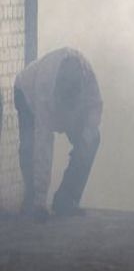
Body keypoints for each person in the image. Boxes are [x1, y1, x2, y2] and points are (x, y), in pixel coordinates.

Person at [14, 48, 102, 221]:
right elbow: (43, 145)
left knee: (92, 140)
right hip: (26, 94)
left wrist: (87, 132)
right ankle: (33, 201)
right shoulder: (44, 90)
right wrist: (41, 202)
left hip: (63, 104)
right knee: (30, 147)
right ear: (57, 91)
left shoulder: (87, 76)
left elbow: (95, 105)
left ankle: (66, 201)